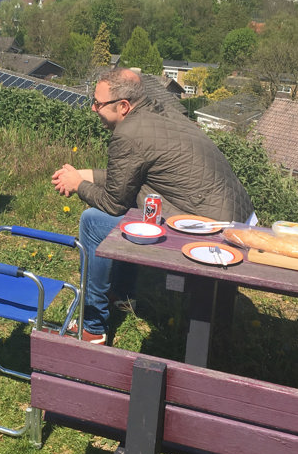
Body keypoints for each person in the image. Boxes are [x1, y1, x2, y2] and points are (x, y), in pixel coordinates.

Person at [51, 67, 254, 344]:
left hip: (215, 233)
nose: (92, 108)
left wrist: (78, 185)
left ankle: (93, 326)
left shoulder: (129, 134)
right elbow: (131, 176)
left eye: (98, 103)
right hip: (238, 218)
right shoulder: (160, 113)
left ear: (123, 106)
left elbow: (113, 202)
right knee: (135, 206)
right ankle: (122, 295)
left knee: (93, 221)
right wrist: (84, 174)